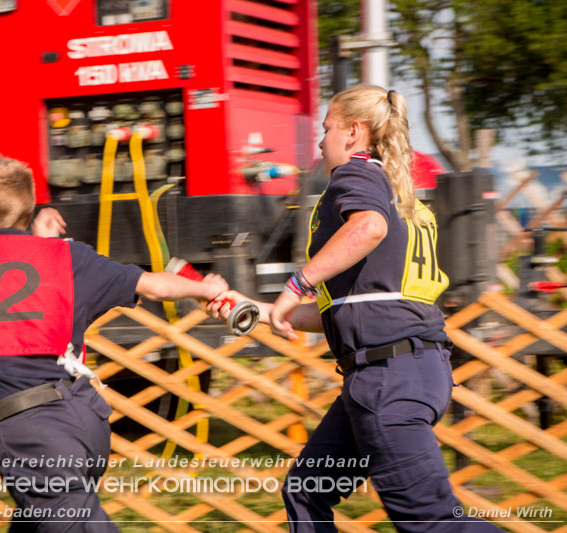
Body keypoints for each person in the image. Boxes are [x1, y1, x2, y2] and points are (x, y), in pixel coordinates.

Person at [208, 86, 502, 532]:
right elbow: (348, 308)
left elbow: (368, 228)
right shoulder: (395, 190)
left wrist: (297, 283)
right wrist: (266, 310)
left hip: (388, 378)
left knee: (433, 523)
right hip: (405, 369)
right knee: (307, 489)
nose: (320, 141)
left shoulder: (355, 175)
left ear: (354, 132)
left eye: (326, 129)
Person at [0, 154, 227, 532]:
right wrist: (206, 288)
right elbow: (157, 286)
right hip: (84, 419)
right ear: (28, 208)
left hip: (30, 433)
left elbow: (4, 261)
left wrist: (35, 229)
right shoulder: (70, 256)